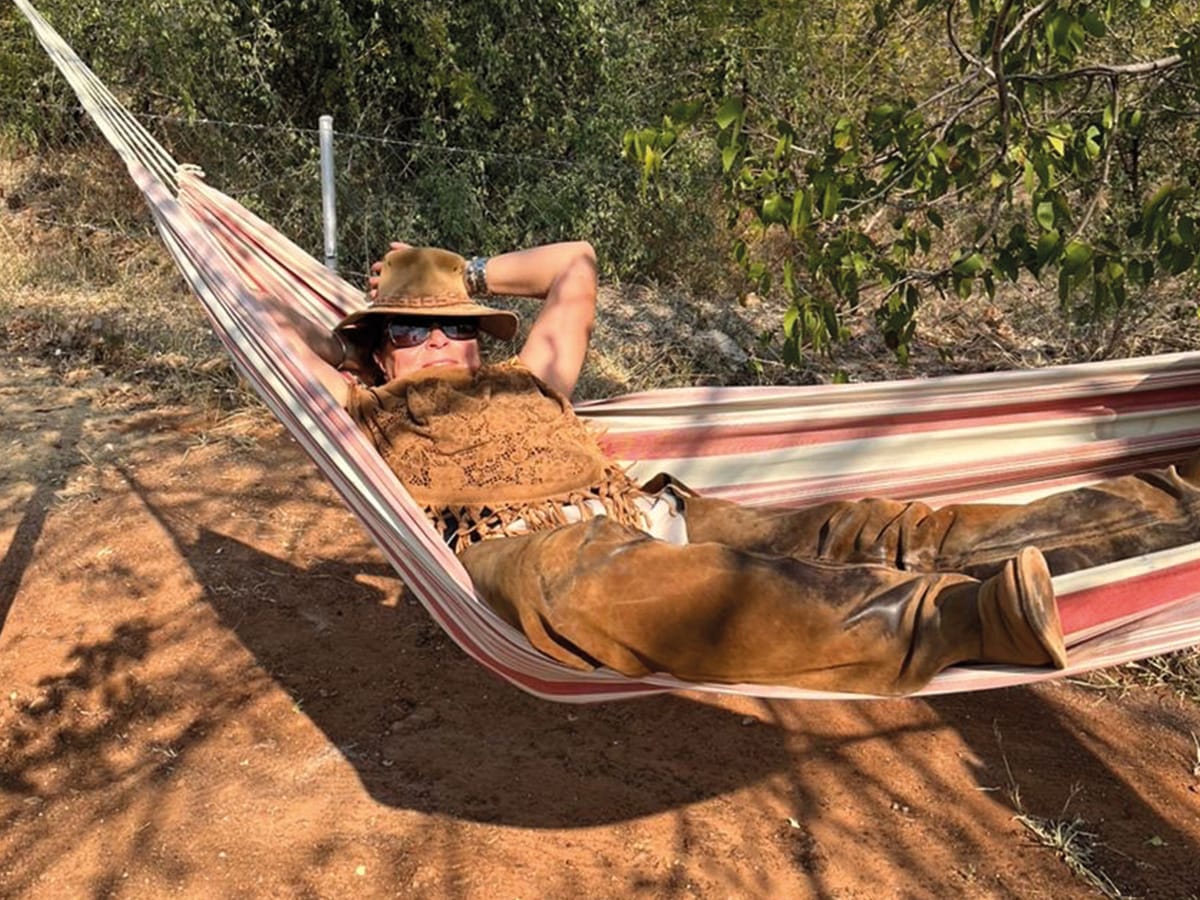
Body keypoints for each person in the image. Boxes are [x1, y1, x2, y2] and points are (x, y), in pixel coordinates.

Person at [266, 241, 1200, 695]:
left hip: (649, 511)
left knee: (869, 528)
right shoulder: (361, 406)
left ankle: (1159, 509)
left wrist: (464, 268)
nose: (436, 341)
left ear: (479, 342)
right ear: (376, 349)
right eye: (411, 330)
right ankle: (962, 622)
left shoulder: (532, 376)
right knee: (623, 590)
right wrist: (344, 308)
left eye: (453, 328)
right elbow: (264, 324)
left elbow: (576, 268)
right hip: (529, 554)